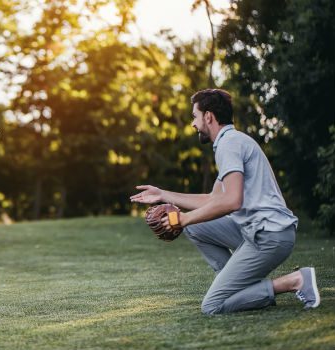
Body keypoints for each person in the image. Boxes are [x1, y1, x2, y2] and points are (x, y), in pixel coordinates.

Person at [130, 89, 320, 314]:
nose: (193, 124)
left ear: (208, 116)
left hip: (269, 236)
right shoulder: (231, 141)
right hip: (257, 231)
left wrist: (183, 219)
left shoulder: (229, 144)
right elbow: (214, 199)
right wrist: (163, 194)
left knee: (212, 306)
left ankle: (295, 280)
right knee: (196, 227)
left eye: (195, 116)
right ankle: (238, 287)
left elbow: (231, 202)